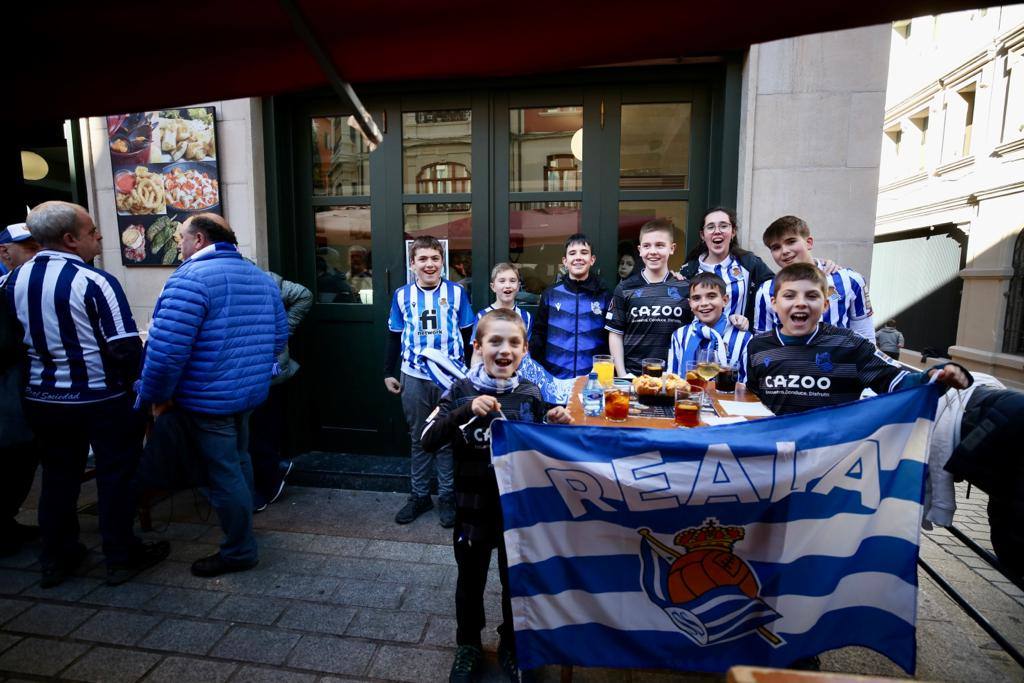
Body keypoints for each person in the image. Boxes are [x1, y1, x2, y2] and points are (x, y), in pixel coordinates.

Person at [7, 201, 168, 587]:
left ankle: (57, 558)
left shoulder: (10, 281)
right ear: (70, 239)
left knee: (59, 477)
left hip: (42, 400)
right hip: (101, 400)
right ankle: (120, 554)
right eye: (92, 230)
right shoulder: (95, 282)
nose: (98, 237)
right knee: (116, 475)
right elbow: (126, 348)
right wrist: (137, 393)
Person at [420, 308, 573, 683]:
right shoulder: (460, 391)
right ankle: (468, 644)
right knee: (470, 581)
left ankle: (512, 645)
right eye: (495, 341)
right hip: (471, 510)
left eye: (514, 343)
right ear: (478, 346)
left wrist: (557, 425)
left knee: (514, 580)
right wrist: (464, 410)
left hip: (517, 512)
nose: (504, 350)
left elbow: (545, 456)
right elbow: (427, 439)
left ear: (524, 351)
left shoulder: (530, 394)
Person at [138, 213, 288, 578]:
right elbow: (279, 339)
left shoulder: (189, 279)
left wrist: (154, 397)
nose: (178, 244)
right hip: (247, 394)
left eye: (181, 237)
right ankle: (244, 530)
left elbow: (166, 353)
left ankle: (239, 550)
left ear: (200, 239)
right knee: (239, 462)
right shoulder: (260, 277)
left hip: (208, 399)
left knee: (224, 475)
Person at [746, 263, 971, 417]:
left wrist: (936, 376)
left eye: (812, 296)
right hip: (775, 458)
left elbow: (898, 382)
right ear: (774, 304)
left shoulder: (851, 344)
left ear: (825, 305)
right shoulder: (758, 346)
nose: (801, 303)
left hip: (831, 460)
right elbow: (753, 398)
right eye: (790, 295)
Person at [385, 236, 475, 527]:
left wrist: (469, 375)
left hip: (450, 379)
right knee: (418, 437)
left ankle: (447, 496)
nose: (429, 264)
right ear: (412, 265)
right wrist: (389, 371)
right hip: (414, 376)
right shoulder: (401, 295)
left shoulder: (458, 293)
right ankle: (420, 495)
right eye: (422, 259)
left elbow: (467, 335)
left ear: (442, 263)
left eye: (435, 259)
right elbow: (394, 336)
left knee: (447, 437)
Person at [752, 215, 875, 342]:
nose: (784, 251)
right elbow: (764, 341)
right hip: (790, 360)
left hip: (840, 360)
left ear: (809, 242)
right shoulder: (766, 291)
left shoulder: (850, 280)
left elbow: (865, 334)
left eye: (791, 241)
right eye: (776, 247)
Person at [250, 271, 312, 511]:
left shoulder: (262, 277)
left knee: (260, 427)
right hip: (241, 369)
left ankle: (269, 480)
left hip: (266, 369)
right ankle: (271, 470)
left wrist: (283, 330)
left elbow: (304, 295)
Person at [0, 223, 42, 557]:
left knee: (22, 458)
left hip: (23, 389)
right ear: (5, 252)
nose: (37, 254)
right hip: (8, 392)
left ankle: (8, 522)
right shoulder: (5, 289)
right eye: (29, 248)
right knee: (12, 456)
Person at [607, 219, 692, 377]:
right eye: (647, 246)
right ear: (639, 250)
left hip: (673, 377)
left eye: (660, 245)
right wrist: (622, 374)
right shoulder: (624, 288)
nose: (653, 251)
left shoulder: (685, 288)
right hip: (634, 377)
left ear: (672, 248)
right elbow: (615, 333)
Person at [529, 233, 611, 379]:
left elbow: (610, 339)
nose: (578, 257)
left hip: (593, 380)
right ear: (565, 261)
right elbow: (539, 335)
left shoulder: (604, 295)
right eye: (572, 253)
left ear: (592, 260)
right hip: (555, 378)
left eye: (584, 253)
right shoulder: (550, 294)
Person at [679, 207, 774, 322]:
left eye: (723, 226)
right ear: (702, 235)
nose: (717, 231)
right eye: (710, 227)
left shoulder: (749, 263)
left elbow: (775, 290)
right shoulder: (689, 270)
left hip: (738, 338)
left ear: (733, 232)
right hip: (698, 338)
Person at [668, 272, 752, 383]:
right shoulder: (679, 335)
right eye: (696, 298)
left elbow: (747, 385)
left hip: (728, 398)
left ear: (725, 300)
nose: (704, 303)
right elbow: (672, 378)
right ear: (690, 304)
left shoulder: (743, 338)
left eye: (711, 296)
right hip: (688, 399)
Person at [469, 262, 532, 367]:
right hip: (490, 377)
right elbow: (477, 353)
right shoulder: (482, 316)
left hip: (517, 377)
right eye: (502, 281)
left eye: (512, 281)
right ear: (493, 287)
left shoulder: (526, 317)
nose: (507, 285)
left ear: (518, 286)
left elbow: (526, 352)